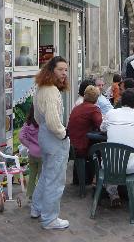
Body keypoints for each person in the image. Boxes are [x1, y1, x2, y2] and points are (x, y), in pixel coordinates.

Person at [30, 56, 70, 230]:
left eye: (66, 70)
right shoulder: (52, 91)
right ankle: (49, 219)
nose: (64, 73)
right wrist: (63, 134)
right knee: (55, 180)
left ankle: (37, 208)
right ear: (51, 70)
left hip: (44, 135)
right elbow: (54, 122)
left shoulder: (41, 87)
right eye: (60, 69)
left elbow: (38, 117)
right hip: (54, 137)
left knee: (46, 174)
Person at [68, 85, 102, 184]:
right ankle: (99, 179)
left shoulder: (77, 108)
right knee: (103, 148)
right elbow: (101, 126)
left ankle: (80, 179)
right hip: (82, 146)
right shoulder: (94, 109)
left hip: (71, 146)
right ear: (96, 98)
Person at [19, 103, 42, 202]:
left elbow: (21, 137)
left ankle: (30, 195)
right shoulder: (42, 124)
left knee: (32, 174)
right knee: (41, 176)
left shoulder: (27, 124)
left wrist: (29, 145)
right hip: (42, 154)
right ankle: (40, 196)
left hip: (31, 153)